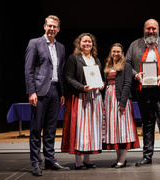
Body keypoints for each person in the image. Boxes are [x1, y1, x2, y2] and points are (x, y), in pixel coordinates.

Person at [126, 19, 160, 167]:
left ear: (158, 29)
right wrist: (136, 75)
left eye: (153, 29)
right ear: (144, 29)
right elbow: (127, 63)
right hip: (142, 90)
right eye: (148, 29)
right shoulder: (134, 45)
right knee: (147, 124)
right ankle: (147, 156)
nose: (151, 31)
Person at [25, 15, 70, 176]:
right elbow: (29, 69)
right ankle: (36, 162)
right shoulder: (34, 43)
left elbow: (61, 71)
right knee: (36, 129)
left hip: (55, 91)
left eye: (55, 27)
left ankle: (50, 160)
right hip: (40, 91)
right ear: (44, 26)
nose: (52, 29)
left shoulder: (61, 47)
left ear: (58, 29)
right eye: (49, 26)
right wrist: (31, 91)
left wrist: (62, 93)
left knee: (51, 129)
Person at [61, 33, 104, 170]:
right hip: (79, 98)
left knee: (91, 129)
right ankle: (78, 160)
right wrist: (82, 87)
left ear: (93, 44)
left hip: (94, 98)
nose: (87, 44)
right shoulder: (73, 58)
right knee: (80, 129)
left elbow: (100, 77)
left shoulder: (96, 59)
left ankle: (87, 158)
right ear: (79, 44)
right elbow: (68, 78)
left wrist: (102, 84)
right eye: (84, 42)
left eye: (89, 42)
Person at [103, 43, 140, 168]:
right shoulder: (108, 65)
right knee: (115, 130)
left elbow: (127, 84)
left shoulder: (126, 66)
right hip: (109, 100)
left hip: (120, 100)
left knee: (122, 130)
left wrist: (123, 102)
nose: (116, 54)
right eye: (114, 51)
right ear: (111, 52)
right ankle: (118, 159)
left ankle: (122, 159)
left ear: (122, 53)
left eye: (118, 51)